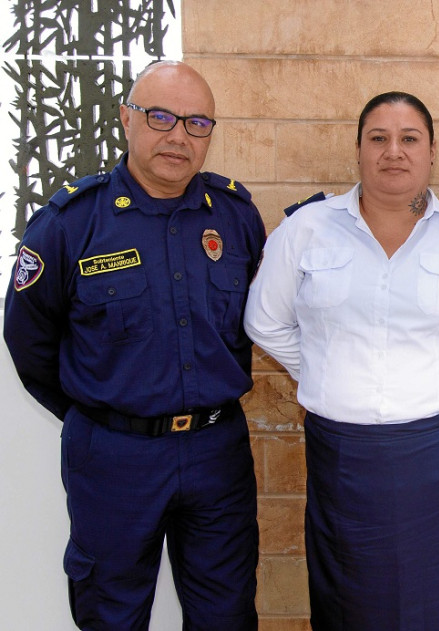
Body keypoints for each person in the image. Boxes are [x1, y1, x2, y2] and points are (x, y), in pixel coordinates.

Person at [243, 91, 439, 631]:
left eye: (408, 139)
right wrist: (326, 369)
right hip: (346, 463)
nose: (393, 152)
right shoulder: (307, 230)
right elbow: (264, 321)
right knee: (355, 606)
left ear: (431, 152)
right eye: (379, 138)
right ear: (358, 149)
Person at [3, 61, 264, 630]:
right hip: (114, 458)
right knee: (111, 614)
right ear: (127, 118)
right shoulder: (71, 222)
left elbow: (256, 325)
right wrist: (95, 413)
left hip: (217, 452)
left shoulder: (237, 217)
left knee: (227, 613)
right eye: (161, 116)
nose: (178, 136)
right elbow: (28, 339)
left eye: (197, 123)